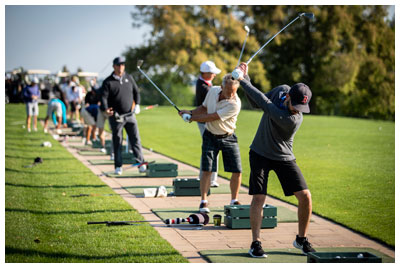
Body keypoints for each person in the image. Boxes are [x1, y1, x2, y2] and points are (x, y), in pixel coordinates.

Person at [233, 63, 315, 257]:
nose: (299, 110)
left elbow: (264, 103)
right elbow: (256, 102)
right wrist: (247, 78)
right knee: (259, 197)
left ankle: (301, 239)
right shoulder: (281, 90)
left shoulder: (293, 119)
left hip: (284, 157)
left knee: (305, 196)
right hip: (260, 152)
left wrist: (243, 80)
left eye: (302, 107)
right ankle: (256, 243)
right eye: (297, 105)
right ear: (287, 97)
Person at [179, 73, 242, 213]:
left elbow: (212, 117)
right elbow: (204, 108)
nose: (231, 95)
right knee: (207, 169)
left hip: (228, 136)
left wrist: (191, 118)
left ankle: (234, 199)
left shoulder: (235, 103)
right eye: (229, 92)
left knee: (237, 170)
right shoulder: (213, 91)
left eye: (234, 92)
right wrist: (189, 112)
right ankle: (203, 201)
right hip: (210, 136)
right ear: (221, 87)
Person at [100, 56, 147, 175]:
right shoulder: (108, 81)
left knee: (135, 139)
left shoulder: (129, 78)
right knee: (118, 140)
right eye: (118, 65)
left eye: (122, 65)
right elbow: (104, 98)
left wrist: (137, 105)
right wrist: (106, 109)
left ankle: (140, 163)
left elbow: (136, 92)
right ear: (114, 66)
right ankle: (118, 166)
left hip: (130, 115)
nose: (121, 67)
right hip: (116, 116)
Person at [195, 61, 221, 187]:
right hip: (205, 121)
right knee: (211, 149)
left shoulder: (204, 84)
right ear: (205, 73)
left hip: (205, 120)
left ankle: (207, 178)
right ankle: (209, 179)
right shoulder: (204, 87)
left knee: (210, 149)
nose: (214, 75)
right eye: (212, 73)